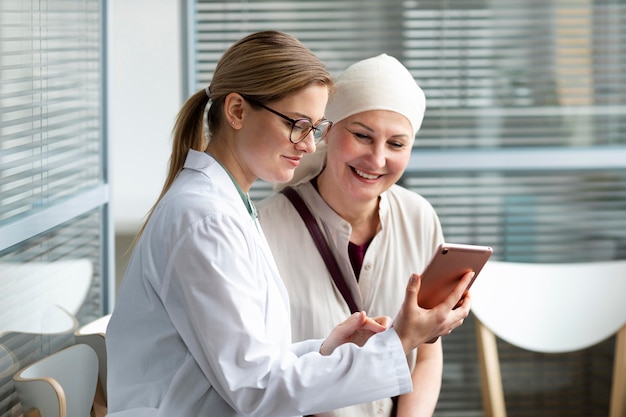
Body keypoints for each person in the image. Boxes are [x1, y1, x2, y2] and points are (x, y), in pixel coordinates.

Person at [105, 32, 472, 417]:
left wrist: (327, 348)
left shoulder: (227, 207)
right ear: (237, 111)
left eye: (314, 129)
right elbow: (257, 388)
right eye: (297, 124)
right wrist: (399, 341)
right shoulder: (207, 220)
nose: (310, 146)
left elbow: (254, 362)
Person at [257, 54, 448, 417]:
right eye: (362, 135)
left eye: (396, 144)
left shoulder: (418, 217)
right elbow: (261, 376)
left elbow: (426, 355)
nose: (376, 160)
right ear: (327, 131)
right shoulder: (265, 229)